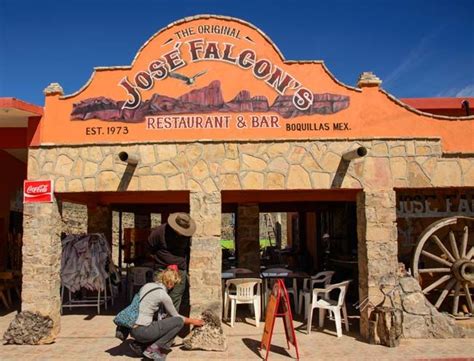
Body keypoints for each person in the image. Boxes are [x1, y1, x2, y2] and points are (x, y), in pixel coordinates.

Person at [130, 268, 204, 360]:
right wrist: (194, 321)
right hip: (144, 331)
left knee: (161, 322)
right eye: (174, 284)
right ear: (170, 283)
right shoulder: (163, 294)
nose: (173, 287)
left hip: (132, 329)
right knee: (179, 322)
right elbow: (177, 317)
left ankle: (140, 344)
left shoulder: (147, 285)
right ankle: (152, 350)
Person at [147, 213, 196, 311]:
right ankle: (157, 323)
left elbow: (187, 250)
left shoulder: (187, 236)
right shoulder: (159, 232)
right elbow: (150, 247)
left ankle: (171, 322)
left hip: (180, 269)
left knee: (175, 297)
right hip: (162, 268)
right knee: (158, 296)